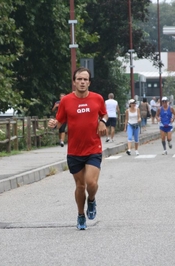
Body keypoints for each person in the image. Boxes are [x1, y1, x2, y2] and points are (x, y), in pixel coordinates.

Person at [48, 67, 108, 230]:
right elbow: (60, 121)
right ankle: (81, 215)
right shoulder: (66, 101)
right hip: (74, 150)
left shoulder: (97, 98)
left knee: (91, 183)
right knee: (80, 186)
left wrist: (103, 121)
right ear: (74, 82)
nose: (82, 82)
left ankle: (92, 200)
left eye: (85, 79)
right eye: (79, 79)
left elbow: (104, 114)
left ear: (89, 82)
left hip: (93, 148)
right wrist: (54, 124)